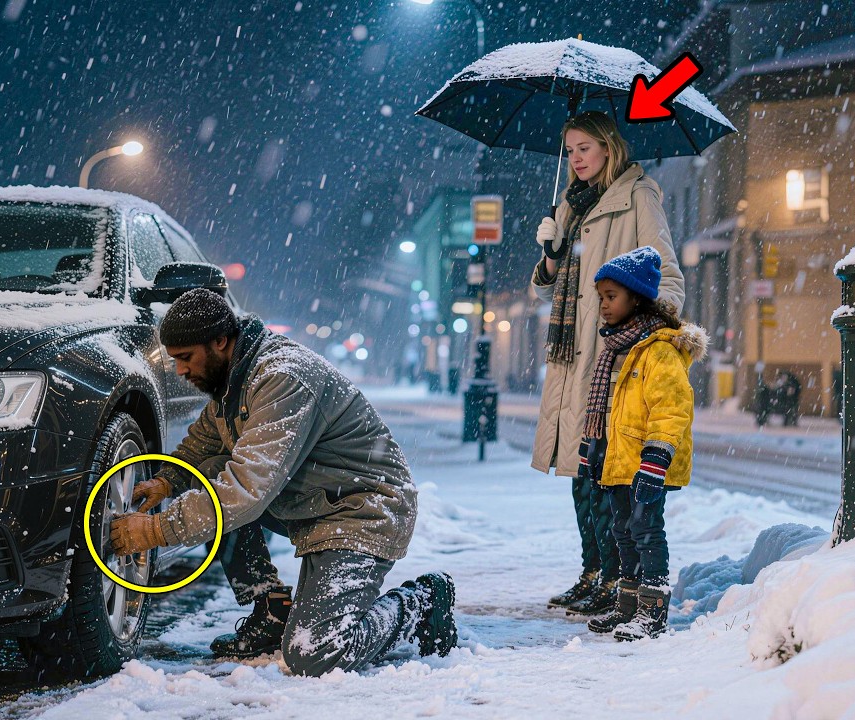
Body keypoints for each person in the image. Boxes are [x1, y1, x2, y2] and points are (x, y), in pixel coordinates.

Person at [107, 288, 457, 676]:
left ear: (220, 341)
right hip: (316, 501)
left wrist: (157, 529)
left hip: (364, 510)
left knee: (315, 656)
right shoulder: (235, 377)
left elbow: (246, 490)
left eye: (186, 358)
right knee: (212, 479)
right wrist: (169, 480)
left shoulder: (282, 378)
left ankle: (419, 603)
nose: (180, 371)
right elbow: (204, 441)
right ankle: (271, 609)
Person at [530, 111, 685, 616]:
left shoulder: (638, 196)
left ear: (608, 147)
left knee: (607, 476)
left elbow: (667, 277)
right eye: (569, 150)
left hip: (613, 356)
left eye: (583, 148)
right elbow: (550, 283)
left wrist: (637, 335)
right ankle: (593, 570)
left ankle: (619, 577)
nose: (574, 159)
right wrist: (552, 252)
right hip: (574, 353)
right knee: (581, 470)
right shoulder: (571, 207)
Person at [576, 247, 706, 640]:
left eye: (611, 297)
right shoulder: (616, 348)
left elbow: (671, 409)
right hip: (618, 461)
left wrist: (656, 459)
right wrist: (592, 450)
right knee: (622, 532)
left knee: (646, 529)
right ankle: (628, 604)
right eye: (601, 298)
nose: (604, 306)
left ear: (637, 298)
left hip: (647, 462)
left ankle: (652, 610)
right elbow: (610, 409)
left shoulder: (659, 350)